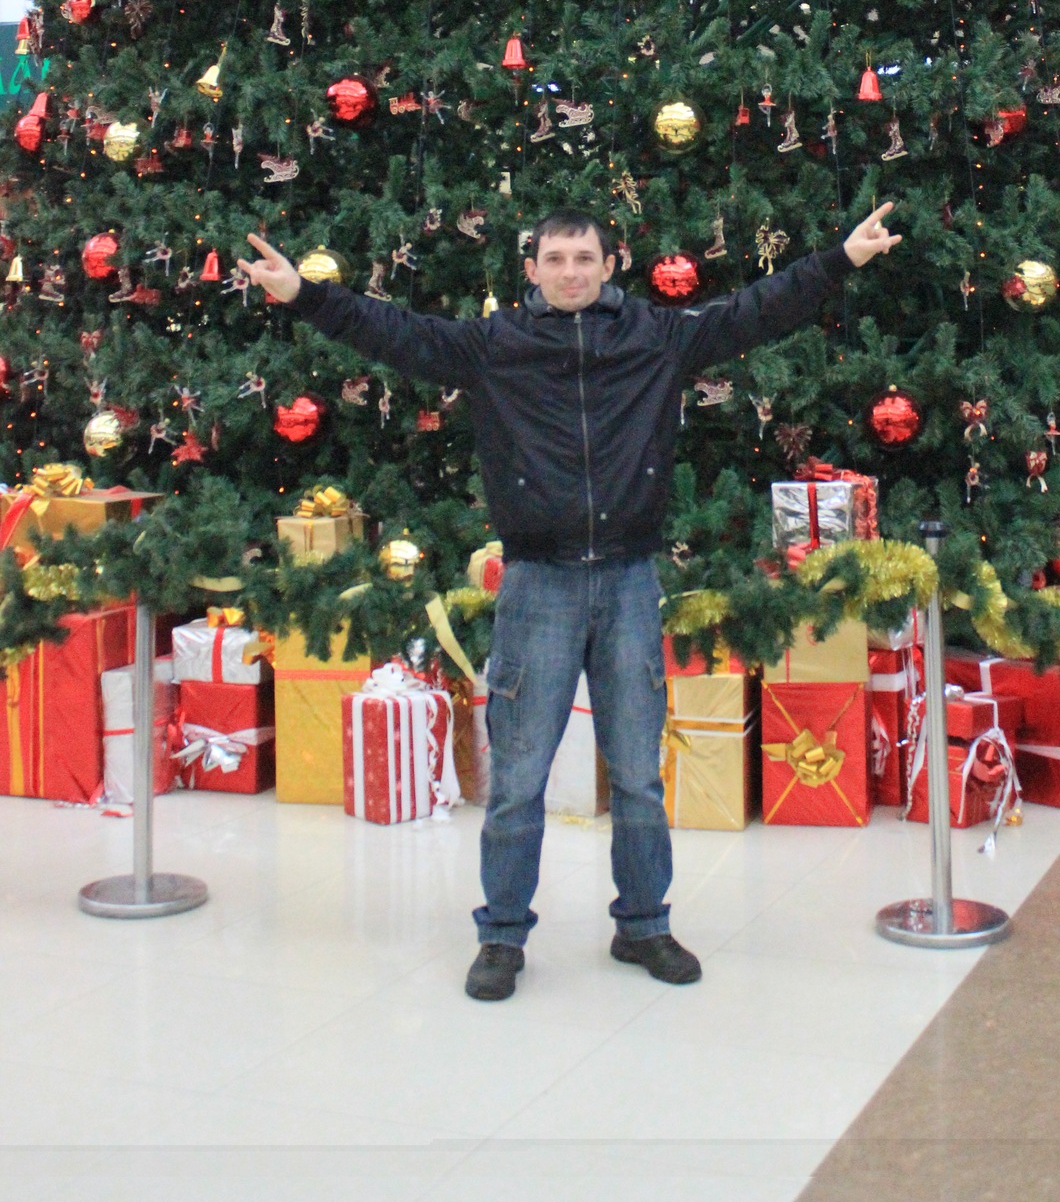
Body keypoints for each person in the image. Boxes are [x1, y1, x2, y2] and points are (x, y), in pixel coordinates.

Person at [238, 201, 901, 1001]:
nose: (569, 272)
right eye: (554, 260)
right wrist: (303, 294)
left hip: (627, 582)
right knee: (518, 777)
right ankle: (501, 935)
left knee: (638, 776)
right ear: (531, 270)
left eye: (584, 258)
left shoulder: (657, 336)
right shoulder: (494, 346)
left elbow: (755, 311)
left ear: (609, 265)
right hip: (537, 586)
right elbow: (395, 332)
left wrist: (840, 258)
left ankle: (644, 925)